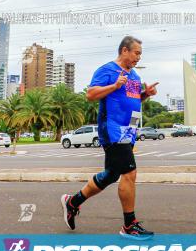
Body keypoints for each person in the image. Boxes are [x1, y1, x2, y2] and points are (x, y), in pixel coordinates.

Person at [61, 36, 159, 239]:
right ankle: (129, 225)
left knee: (112, 174)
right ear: (125, 50)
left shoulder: (134, 77)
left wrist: (146, 94)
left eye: (140, 54)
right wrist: (114, 86)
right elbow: (90, 94)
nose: (138, 57)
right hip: (112, 128)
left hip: (129, 129)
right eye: (136, 53)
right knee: (129, 173)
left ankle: (73, 202)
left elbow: (132, 99)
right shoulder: (107, 70)